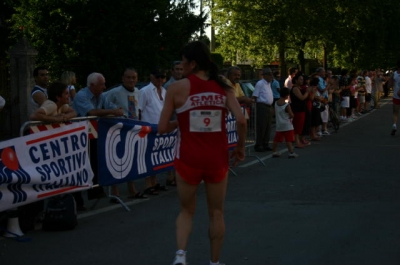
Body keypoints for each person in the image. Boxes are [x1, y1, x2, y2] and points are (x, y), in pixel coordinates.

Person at [158, 40, 246, 265]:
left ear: (193, 63)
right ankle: (214, 262)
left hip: (188, 157)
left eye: (184, 62)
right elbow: (241, 120)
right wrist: (239, 148)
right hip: (216, 158)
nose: (181, 66)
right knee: (216, 212)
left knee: (186, 210)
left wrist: (182, 123)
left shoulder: (177, 88)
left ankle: (180, 255)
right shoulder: (223, 85)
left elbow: (161, 127)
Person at [73, 72, 124, 209]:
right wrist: (112, 112)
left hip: (92, 136)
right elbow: (92, 112)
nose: (104, 87)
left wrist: (117, 110)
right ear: (92, 85)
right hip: (77, 137)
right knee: (79, 167)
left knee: (94, 161)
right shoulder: (81, 96)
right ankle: (77, 200)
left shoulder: (100, 96)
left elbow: (111, 106)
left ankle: (95, 191)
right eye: (102, 84)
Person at [103, 68, 147, 202]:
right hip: (116, 131)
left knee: (131, 159)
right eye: (128, 77)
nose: (131, 80)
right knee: (114, 160)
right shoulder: (114, 93)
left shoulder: (138, 92)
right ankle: (115, 192)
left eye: (133, 77)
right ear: (123, 78)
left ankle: (132, 189)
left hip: (132, 131)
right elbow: (103, 104)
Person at [138, 68, 168, 195]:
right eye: (157, 77)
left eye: (162, 77)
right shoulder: (144, 91)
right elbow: (139, 110)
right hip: (148, 128)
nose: (160, 79)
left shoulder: (164, 90)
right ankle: (148, 184)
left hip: (159, 127)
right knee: (147, 156)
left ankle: (154, 182)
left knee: (156, 156)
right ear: (151, 77)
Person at [272, 87, 298, 158]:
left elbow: (273, 113)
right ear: (287, 95)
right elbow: (291, 115)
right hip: (287, 124)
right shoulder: (287, 105)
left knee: (276, 139)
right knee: (288, 139)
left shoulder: (276, 103)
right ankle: (291, 152)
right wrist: (292, 116)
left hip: (279, 124)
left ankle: (274, 151)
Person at [252, 67, 274, 152]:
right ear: (264, 75)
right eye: (269, 75)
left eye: (271, 74)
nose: (271, 76)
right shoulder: (260, 83)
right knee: (262, 126)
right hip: (262, 106)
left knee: (268, 127)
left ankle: (265, 143)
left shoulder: (268, 84)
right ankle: (259, 144)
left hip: (268, 106)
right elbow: (255, 95)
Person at [290, 73, 310, 148]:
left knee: (300, 126)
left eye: (302, 79)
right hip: (297, 109)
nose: (302, 81)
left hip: (302, 109)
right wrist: (307, 92)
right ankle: (297, 141)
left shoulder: (299, 88)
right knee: (297, 125)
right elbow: (301, 98)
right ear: (296, 80)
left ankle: (298, 140)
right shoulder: (295, 88)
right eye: (300, 79)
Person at [389, 60, 400, 135]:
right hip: (398, 94)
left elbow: (389, 85)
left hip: (396, 96)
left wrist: (391, 79)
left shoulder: (394, 74)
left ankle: (394, 125)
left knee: (395, 112)